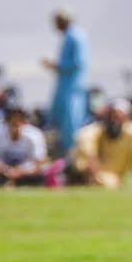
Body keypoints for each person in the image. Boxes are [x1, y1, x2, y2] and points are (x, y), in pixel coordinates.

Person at [69, 99, 132, 188]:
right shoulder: (91, 133)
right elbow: (88, 158)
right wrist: (99, 177)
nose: (114, 121)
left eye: (118, 118)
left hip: (113, 180)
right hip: (86, 178)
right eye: (111, 116)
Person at [45, 9, 89, 155]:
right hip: (66, 86)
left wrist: (57, 66)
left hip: (73, 87)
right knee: (60, 121)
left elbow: (78, 63)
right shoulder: (69, 36)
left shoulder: (76, 37)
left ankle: (73, 154)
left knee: (71, 122)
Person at [0, 104, 48, 187]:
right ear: (7, 121)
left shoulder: (35, 135)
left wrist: (19, 171)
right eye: (12, 121)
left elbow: (40, 162)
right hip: (0, 171)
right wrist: (0, 168)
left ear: (24, 122)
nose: (16, 124)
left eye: (19, 120)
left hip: (25, 173)